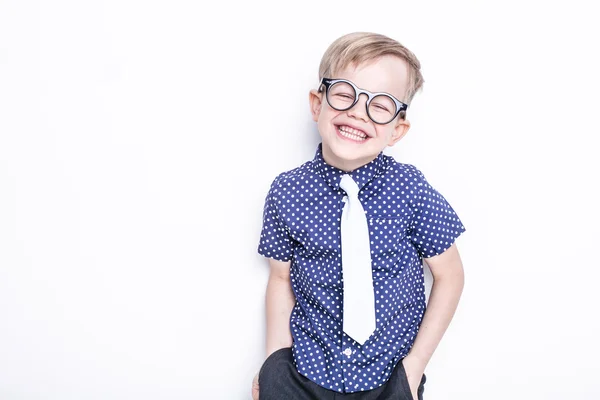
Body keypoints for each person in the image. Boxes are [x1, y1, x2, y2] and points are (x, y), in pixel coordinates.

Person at [252, 32, 466, 400]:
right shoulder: (287, 192)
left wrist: (413, 369)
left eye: (380, 105)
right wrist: (272, 363)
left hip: (387, 378)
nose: (357, 111)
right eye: (344, 93)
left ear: (397, 129)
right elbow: (279, 279)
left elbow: (450, 275)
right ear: (317, 104)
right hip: (303, 374)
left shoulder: (410, 190)